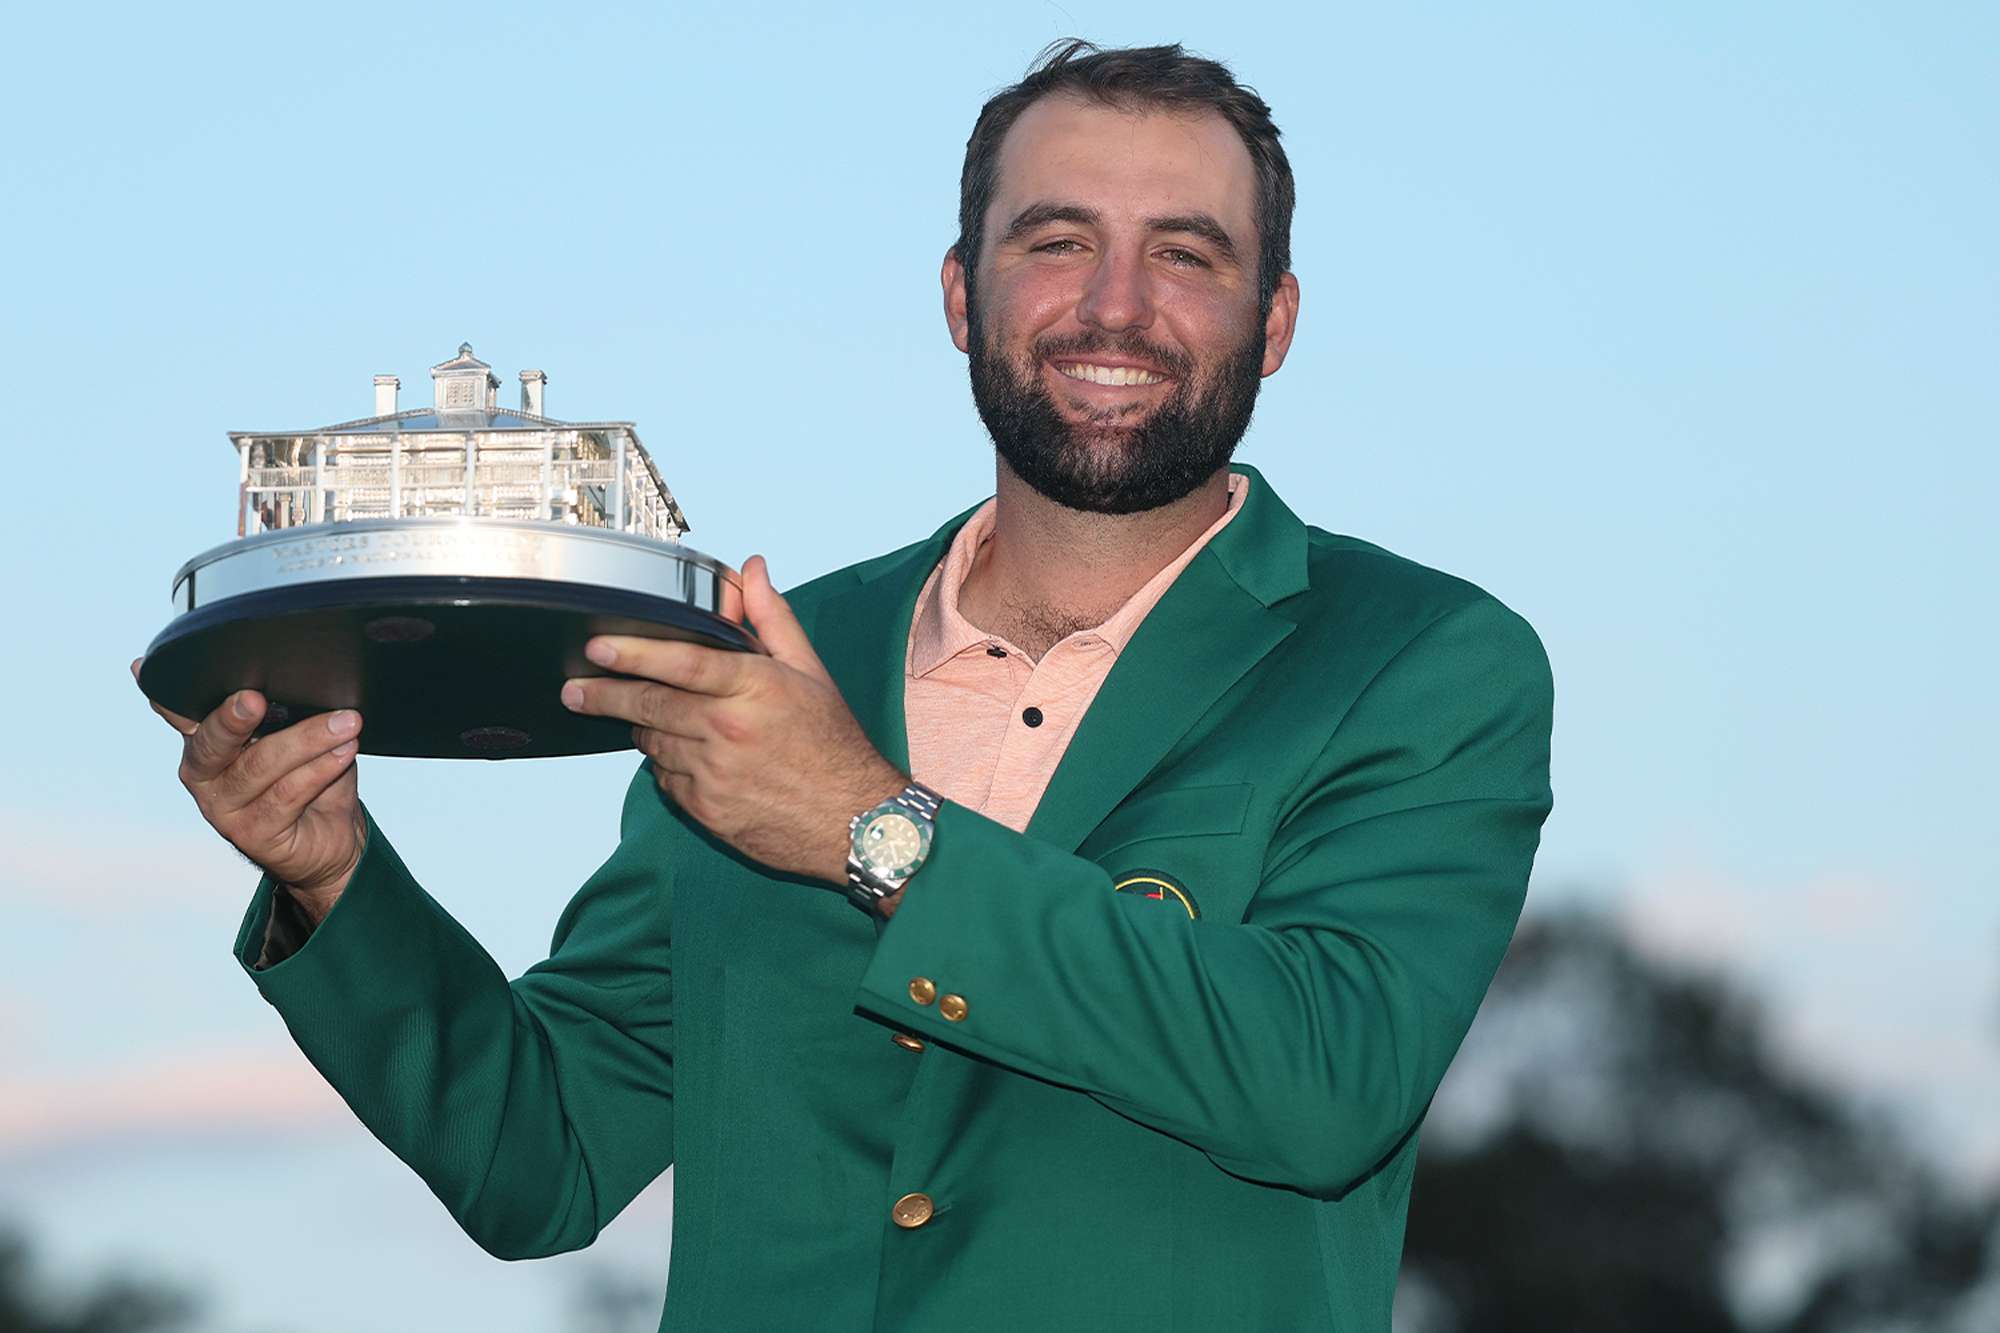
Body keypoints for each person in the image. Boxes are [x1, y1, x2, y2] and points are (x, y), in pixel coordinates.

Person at [140, 42, 1552, 1332]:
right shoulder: (766, 666)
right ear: (960, 294)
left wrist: (872, 831)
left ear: (1276, 318)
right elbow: (539, 1157)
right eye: (1057, 241)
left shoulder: (1418, 659)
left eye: (1184, 253)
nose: (1115, 305)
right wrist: (335, 881)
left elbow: (1326, 1082)